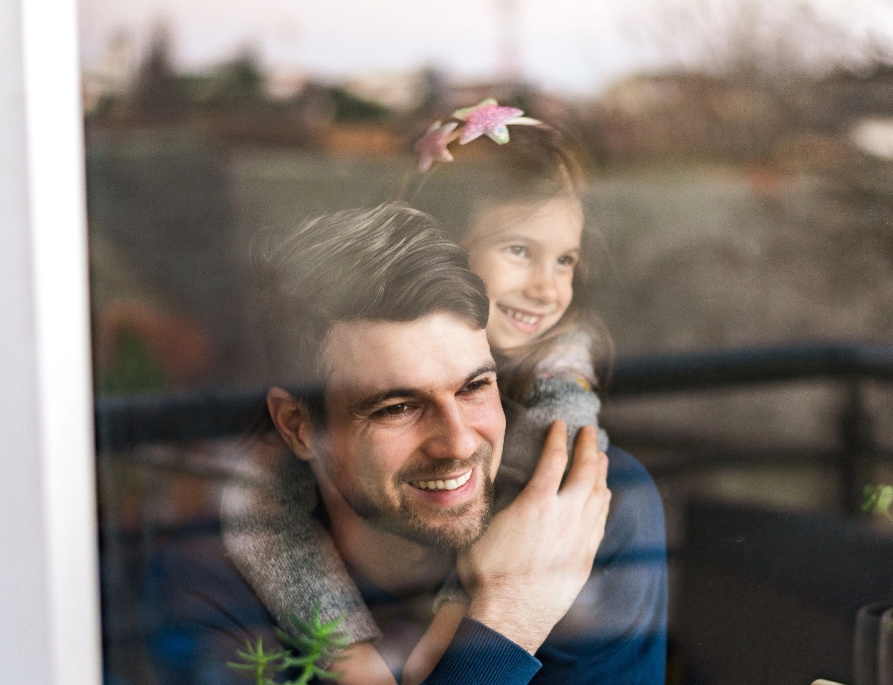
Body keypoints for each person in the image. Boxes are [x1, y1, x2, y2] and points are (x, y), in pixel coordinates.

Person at [146, 203, 666, 685]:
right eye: (399, 407)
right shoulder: (212, 578)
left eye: (474, 387)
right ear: (298, 427)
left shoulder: (591, 514)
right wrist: (505, 618)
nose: (458, 442)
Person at [217, 102, 616, 684]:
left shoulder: (562, 380)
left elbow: (560, 486)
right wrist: (350, 658)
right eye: (518, 251)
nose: (546, 287)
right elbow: (256, 508)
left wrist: (466, 621)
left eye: (565, 260)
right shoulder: (229, 558)